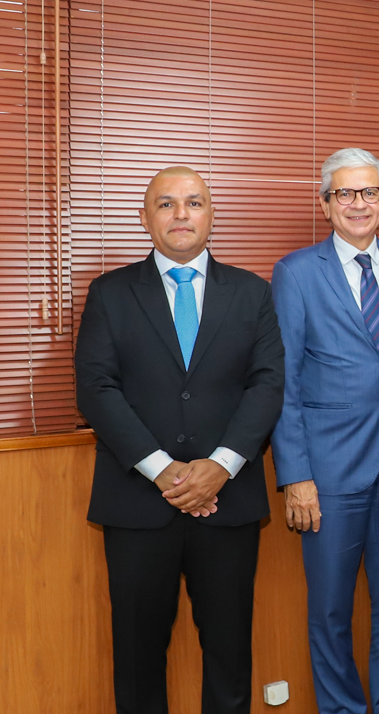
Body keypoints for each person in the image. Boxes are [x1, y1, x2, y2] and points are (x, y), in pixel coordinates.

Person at [74, 167, 285, 714]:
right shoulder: (110, 293)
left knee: (230, 654)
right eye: (166, 204)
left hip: (229, 502)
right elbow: (96, 389)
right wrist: (162, 469)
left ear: (212, 214)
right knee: (139, 657)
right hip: (138, 504)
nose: (181, 215)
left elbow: (268, 384)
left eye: (193, 202)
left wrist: (220, 465)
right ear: (145, 219)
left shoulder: (252, 293)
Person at [270, 148, 379, 714]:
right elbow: (281, 381)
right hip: (329, 474)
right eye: (344, 193)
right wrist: (296, 476)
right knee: (331, 611)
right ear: (326, 203)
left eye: (369, 193)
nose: (357, 204)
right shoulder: (295, 272)